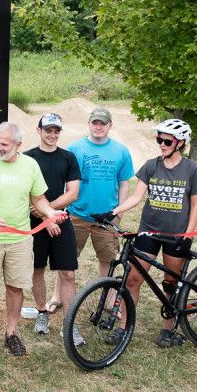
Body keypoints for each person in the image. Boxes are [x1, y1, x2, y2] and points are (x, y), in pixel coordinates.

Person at [0, 122, 67, 358]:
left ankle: (11, 333)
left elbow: (39, 199)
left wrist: (50, 213)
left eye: (4, 144)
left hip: (19, 239)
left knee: (15, 286)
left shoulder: (30, 165)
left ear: (18, 145)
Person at [112, 119, 197, 348]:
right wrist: (113, 211)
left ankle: (168, 329)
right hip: (149, 232)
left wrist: (188, 234)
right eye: (159, 139)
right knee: (133, 279)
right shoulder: (151, 165)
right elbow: (136, 197)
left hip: (176, 234)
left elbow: (196, 205)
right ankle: (123, 327)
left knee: (170, 282)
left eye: (166, 141)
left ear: (180, 143)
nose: (161, 144)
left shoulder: (192, 169)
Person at [55, 107, 135, 313]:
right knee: (66, 258)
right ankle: (57, 296)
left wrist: (118, 213)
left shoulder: (121, 151)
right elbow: (66, 182)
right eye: (95, 123)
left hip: (107, 218)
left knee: (108, 260)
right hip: (77, 214)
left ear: (110, 125)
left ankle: (108, 300)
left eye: (103, 123)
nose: (98, 127)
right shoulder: (74, 149)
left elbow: (124, 184)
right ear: (89, 124)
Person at [23, 113, 82, 344]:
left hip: (60, 221)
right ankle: (41, 313)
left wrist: (49, 213)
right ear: (39, 131)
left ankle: (70, 325)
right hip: (34, 222)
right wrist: (43, 217)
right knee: (37, 270)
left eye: (56, 130)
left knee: (68, 273)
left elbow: (73, 193)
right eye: (48, 130)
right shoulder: (27, 158)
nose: (52, 134)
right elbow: (26, 193)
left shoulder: (68, 158)